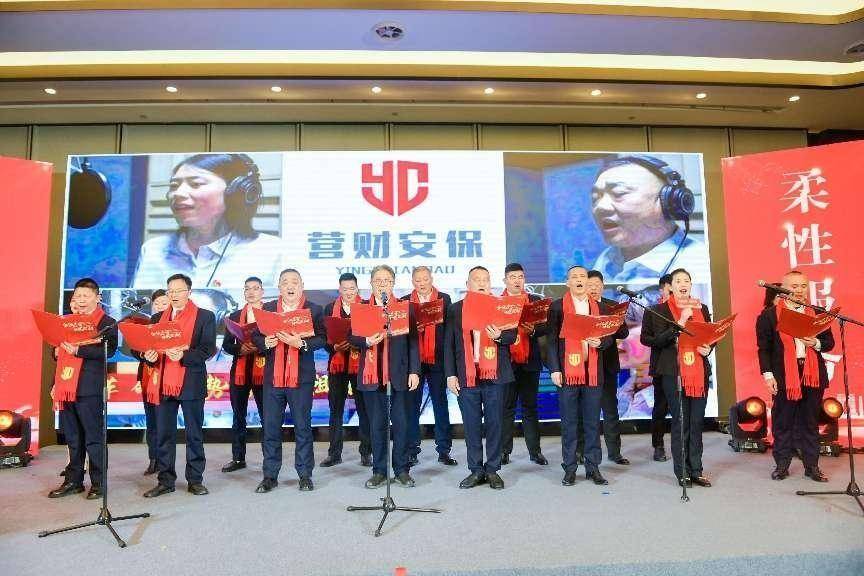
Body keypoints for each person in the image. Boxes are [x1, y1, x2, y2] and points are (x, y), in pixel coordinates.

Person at [132, 153, 286, 289]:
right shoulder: (152, 250)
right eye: (174, 186)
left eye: (196, 184)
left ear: (235, 193)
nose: (177, 193)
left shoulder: (273, 252)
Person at [142, 273, 216, 498]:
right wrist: (148, 356)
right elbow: (145, 347)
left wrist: (184, 355)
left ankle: (195, 480)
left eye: (178, 291)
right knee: (164, 434)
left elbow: (207, 349)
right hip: (163, 382)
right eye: (170, 291)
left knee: (194, 434)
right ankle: (165, 481)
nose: (174, 295)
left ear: (189, 292)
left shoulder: (205, 316)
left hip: (191, 381)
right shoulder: (157, 319)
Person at [757, 270, 834, 482]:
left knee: (810, 422)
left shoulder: (817, 312)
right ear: (783, 289)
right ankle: (782, 465)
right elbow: (764, 349)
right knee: (783, 421)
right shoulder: (769, 316)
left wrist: (815, 343)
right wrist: (768, 376)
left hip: (811, 374)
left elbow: (829, 343)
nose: (799, 290)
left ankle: (812, 467)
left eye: (803, 286)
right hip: (783, 374)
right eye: (794, 286)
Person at [444, 266, 516, 490]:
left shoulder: (500, 306)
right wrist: (450, 374)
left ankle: (492, 470)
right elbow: (448, 344)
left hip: (495, 374)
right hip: (467, 375)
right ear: (468, 285)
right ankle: (476, 470)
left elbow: (512, 336)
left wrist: (500, 336)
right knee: (471, 425)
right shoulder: (456, 309)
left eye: (486, 279)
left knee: (495, 423)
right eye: (477, 279)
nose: (482, 283)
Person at [253, 269, 324, 493]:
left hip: (301, 378)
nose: (290, 286)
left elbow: (323, 338)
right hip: (273, 379)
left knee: (302, 427)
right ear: (279, 287)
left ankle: (304, 474)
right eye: (285, 282)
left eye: (294, 282)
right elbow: (255, 336)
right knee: (271, 428)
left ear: (302, 286)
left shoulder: (313, 309)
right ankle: (270, 476)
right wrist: (265, 343)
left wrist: (300, 343)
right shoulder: (267, 308)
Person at [640, 268, 713, 487]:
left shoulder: (702, 308)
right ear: (670, 286)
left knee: (696, 421)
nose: (683, 284)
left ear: (690, 285)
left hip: (699, 371)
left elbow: (710, 335)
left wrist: (709, 348)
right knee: (681, 421)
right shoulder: (657, 311)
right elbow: (649, 340)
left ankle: (696, 470)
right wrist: (679, 323)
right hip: (673, 372)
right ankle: (682, 471)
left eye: (687, 280)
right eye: (678, 281)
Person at [349, 265, 420, 489]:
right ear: (371, 283)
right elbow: (351, 337)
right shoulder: (362, 308)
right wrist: (366, 341)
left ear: (393, 284)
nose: (382, 284)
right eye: (378, 280)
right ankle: (379, 471)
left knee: (401, 424)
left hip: (399, 375)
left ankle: (401, 470)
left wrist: (414, 371)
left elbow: (413, 343)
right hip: (372, 376)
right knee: (377, 425)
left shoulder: (403, 309)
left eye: (387, 280)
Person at [48, 278, 118, 500]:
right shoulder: (65, 321)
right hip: (65, 386)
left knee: (94, 437)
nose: (80, 300)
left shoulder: (107, 322)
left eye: (85, 296)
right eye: (77, 296)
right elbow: (57, 353)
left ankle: (99, 483)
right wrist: (54, 377)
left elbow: (108, 352)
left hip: (89, 387)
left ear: (97, 298)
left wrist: (78, 350)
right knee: (72, 437)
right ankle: (73, 481)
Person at [590, 155, 707, 283]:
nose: (600, 207)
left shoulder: (700, 266)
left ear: (668, 202)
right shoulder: (608, 258)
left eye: (619, 193)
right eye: (595, 198)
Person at [547, 266, 614, 486]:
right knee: (569, 422)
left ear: (587, 281)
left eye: (582, 276)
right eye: (574, 277)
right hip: (568, 373)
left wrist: (601, 342)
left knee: (592, 422)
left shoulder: (600, 307)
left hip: (593, 372)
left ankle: (593, 467)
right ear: (567, 283)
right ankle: (569, 468)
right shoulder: (557, 307)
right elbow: (551, 341)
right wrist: (555, 369)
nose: (579, 280)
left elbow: (609, 337)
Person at [401, 266, 457, 467]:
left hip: (438, 359)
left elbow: (449, 331)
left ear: (431, 279)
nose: (422, 283)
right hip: (414, 362)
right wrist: (414, 328)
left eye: (425, 279)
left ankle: (444, 450)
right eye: (418, 280)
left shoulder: (444, 299)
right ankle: (412, 450)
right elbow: (401, 332)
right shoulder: (405, 301)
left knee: (440, 404)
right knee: (411, 406)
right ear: (412, 282)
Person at [576, 270, 631, 466]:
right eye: (589, 285)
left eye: (596, 285)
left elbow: (623, 333)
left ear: (602, 286)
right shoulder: (579, 307)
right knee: (583, 410)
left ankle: (614, 452)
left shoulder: (611, 306)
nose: (593, 288)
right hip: (584, 365)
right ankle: (581, 451)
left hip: (606, 364)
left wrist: (613, 324)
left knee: (610, 410)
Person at [321, 272, 373, 468]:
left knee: (364, 409)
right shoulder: (329, 308)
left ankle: (366, 452)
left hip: (361, 365)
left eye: (352, 288)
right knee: (336, 409)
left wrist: (356, 343)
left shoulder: (366, 306)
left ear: (357, 288)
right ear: (339, 290)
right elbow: (324, 338)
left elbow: (371, 335)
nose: (349, 292)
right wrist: (334, 346)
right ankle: (334, 453)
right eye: (345, 289)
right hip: (337, 365)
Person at [500, 263, 549, 466]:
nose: (517, 280)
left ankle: (535, 452)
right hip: (507, 363)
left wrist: (533, 331)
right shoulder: (498, 303)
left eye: (520, 277)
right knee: (506, 408)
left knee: (530, 408)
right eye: (513, 277)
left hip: (530, 362)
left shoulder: (535, 301)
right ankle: (504, 452)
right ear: (505, 281)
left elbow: (545, 327)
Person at [220, 277, 266, 474]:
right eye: (247, 289)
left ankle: (269, 459)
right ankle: (238, 458)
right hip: (239, 370)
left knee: (266, 416)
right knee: (238, 415)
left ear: (262, 292)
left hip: (263, 370)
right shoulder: (235, 315)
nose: (251, 292)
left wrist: (258, 347)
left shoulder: (270, 313)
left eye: (255, 288)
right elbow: (226, 345)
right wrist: (240, 349)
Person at [136, 288, 169, 475]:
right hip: (147, 378)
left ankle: (165, 461)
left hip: (166, 379)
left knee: (163, 422)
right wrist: (143, 354)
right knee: (151, 422)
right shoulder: (148, 324)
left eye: (164, 303)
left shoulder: (174, 326)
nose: (160, 307)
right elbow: (135, 349)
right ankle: (153, 459)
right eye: (157, 304)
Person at [650, 273, 672, 462]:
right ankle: (658, 445)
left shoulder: (692, 309)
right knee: (661, 408)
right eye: (669, 288)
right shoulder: (654, 311)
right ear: (662, 290)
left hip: (687, 365)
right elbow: (647, 339)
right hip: (662, 367)